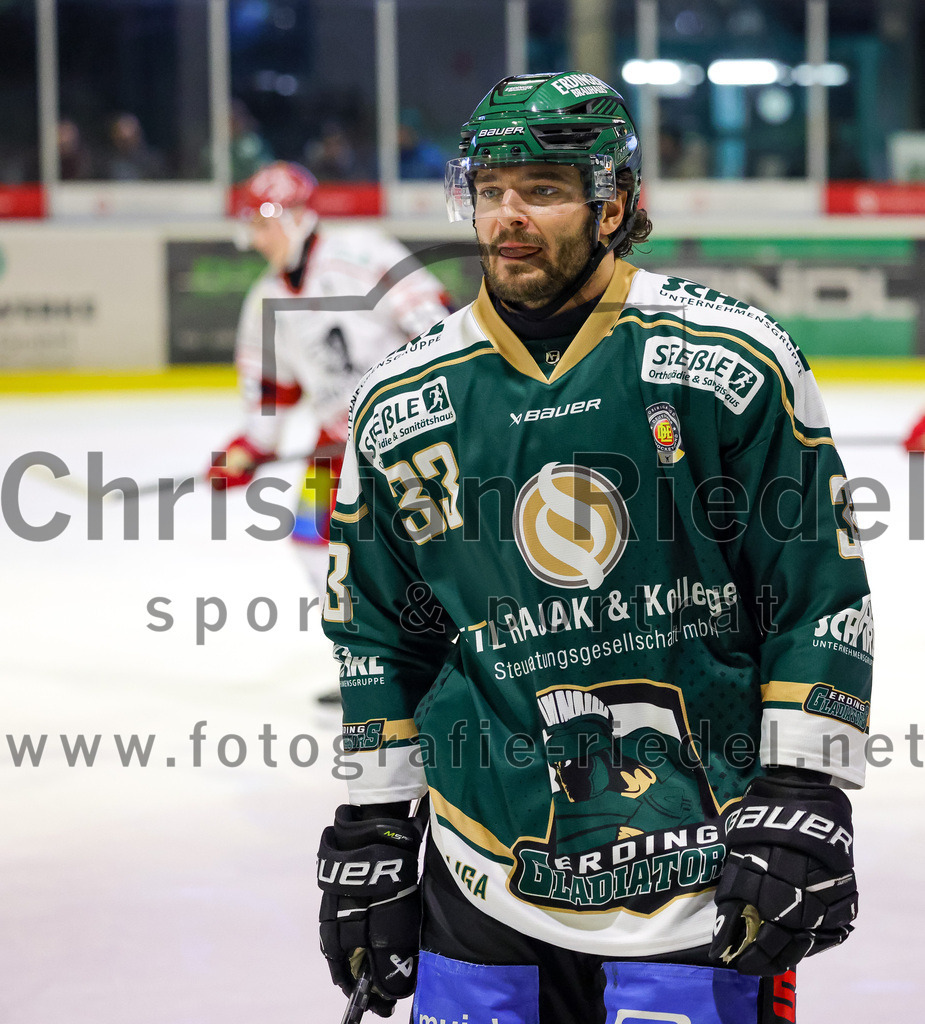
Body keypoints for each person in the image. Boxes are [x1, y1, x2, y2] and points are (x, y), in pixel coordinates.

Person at [316, 72, 872, 1024]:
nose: (507, 218)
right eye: (489, 192)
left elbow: (813, 593)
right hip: (482, 861)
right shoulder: (401, 403)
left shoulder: (728, 359)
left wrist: (802, 786)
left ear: (614, 202)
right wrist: (375, 817)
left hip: (703, 859)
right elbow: (379, 632)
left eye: (541, 190)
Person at [208, 161, 451, 601]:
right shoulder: (265, 301)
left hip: (411, 430)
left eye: (265, 225)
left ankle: (436, 634)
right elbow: (271, 389)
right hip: (336, 443)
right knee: (308, 536)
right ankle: (362, 640)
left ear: (297, 218)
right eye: (253, 227)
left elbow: (439, 330)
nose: (258, 239)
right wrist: (249, 448)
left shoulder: (363, 253)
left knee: (434, 542)